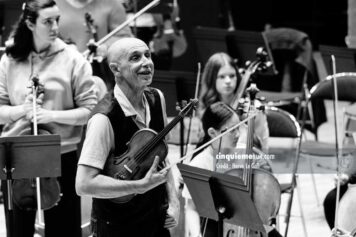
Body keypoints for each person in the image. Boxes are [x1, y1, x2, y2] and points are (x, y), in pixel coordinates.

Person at [0, 1, 97, 237]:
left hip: (61, 155)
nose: (55, 27)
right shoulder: (10, 59)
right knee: (18, 230)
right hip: (16, 155)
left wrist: (50, 115)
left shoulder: (74, 60)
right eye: (47, 21)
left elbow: (89, 111)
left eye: (57, 20)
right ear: (30, 23)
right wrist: (22, 110)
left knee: (63, 230)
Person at [75, 37, 179, 237]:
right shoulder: (103, 119)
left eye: (148, 55)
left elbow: (163, 160)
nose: (146, 62)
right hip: (117, 228)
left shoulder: (157, 98)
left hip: (156, 222)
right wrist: (139, 187)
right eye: (135, 57)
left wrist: (174, 204)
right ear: (116, 70)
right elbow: (84, 184)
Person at [199, 52, 270, 153]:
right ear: (211, 79)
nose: (228, 81)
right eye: (222, 76)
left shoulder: (254, 107)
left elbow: (264, 148)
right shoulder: (209, 109)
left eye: (232, 76)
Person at [56, 0, 133, 89]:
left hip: (101, 74)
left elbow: (124, 36)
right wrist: (64, 48)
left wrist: (105, 47)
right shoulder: (52, 4)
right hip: (63, 72)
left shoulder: (112, 3)